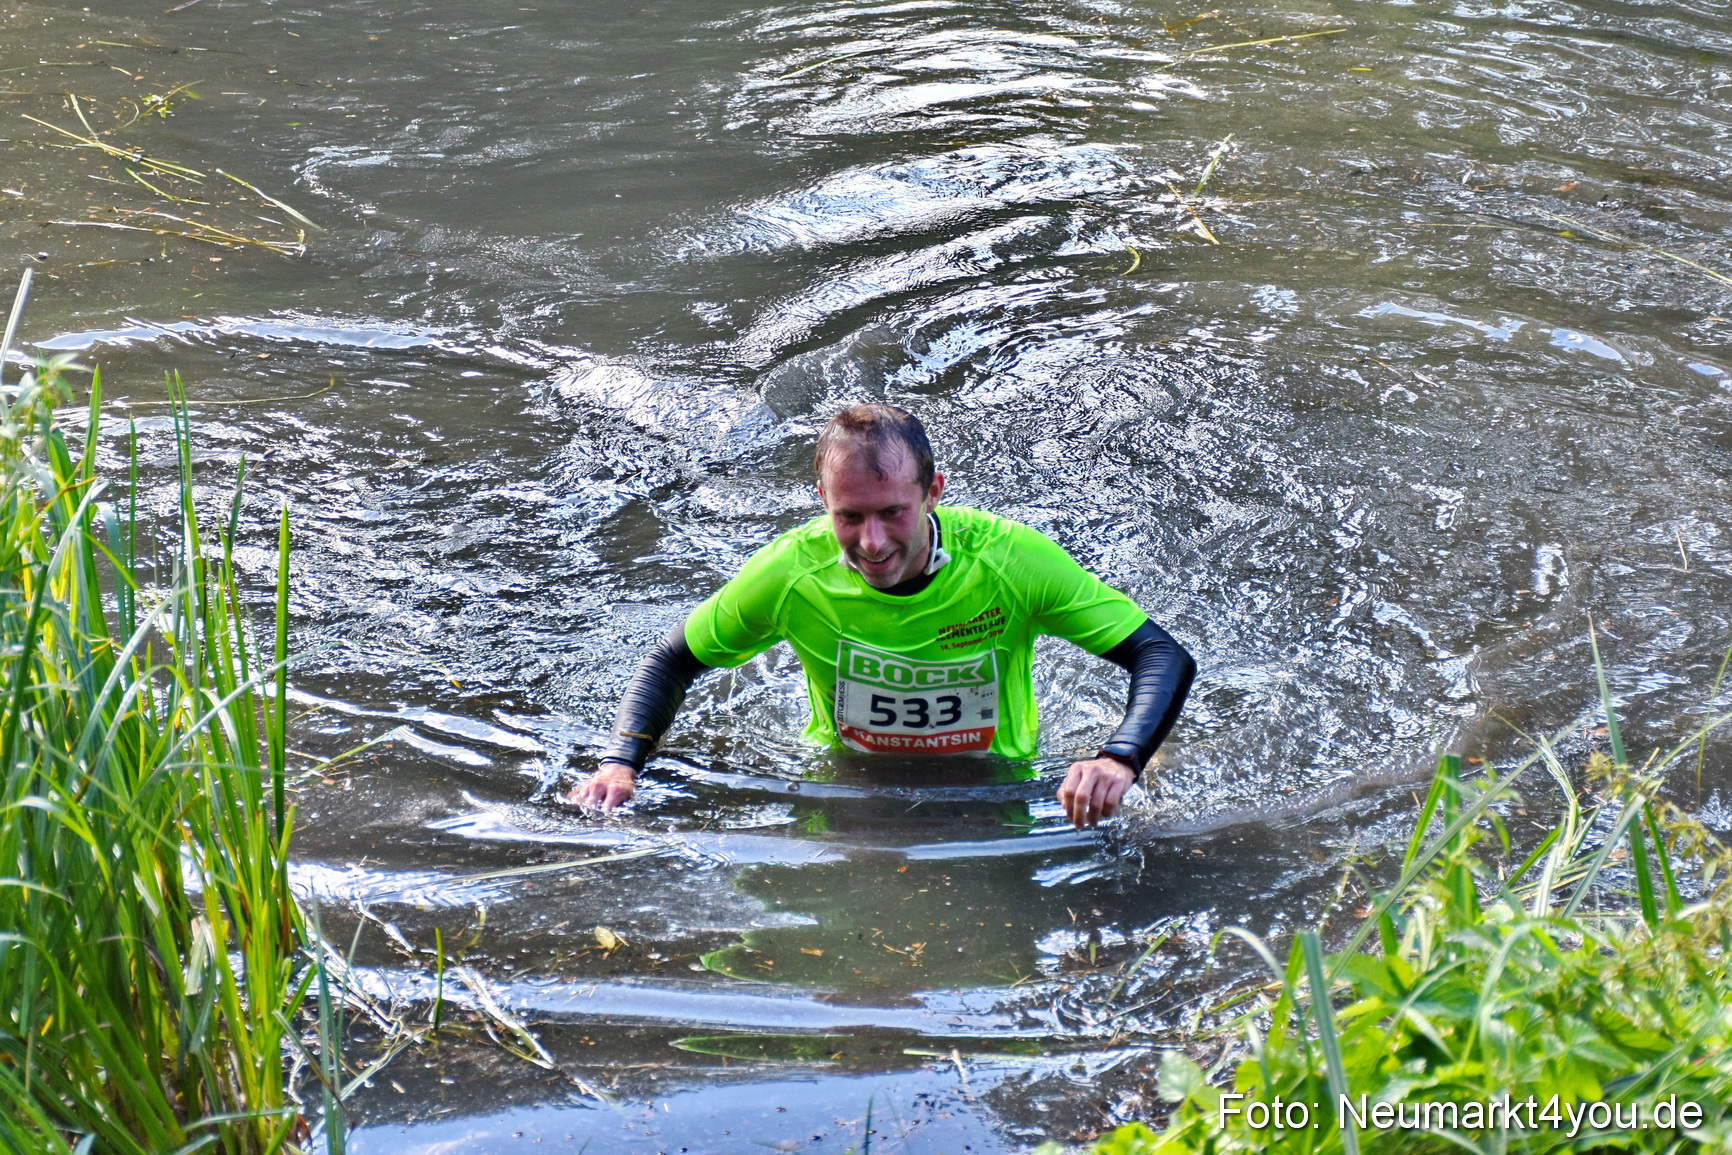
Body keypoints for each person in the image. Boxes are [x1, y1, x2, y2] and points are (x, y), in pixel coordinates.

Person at [563, 404, 1196, 828]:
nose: (871, 542)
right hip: (847, 786)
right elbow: (672, 660)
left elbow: (1161, 654)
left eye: (893, 512)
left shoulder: (1012, 561)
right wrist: (621, 762)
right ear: (823, 501)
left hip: (997, 788)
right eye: (849, 516)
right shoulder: (790, 573)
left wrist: (1120, 757)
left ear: (933, 492)